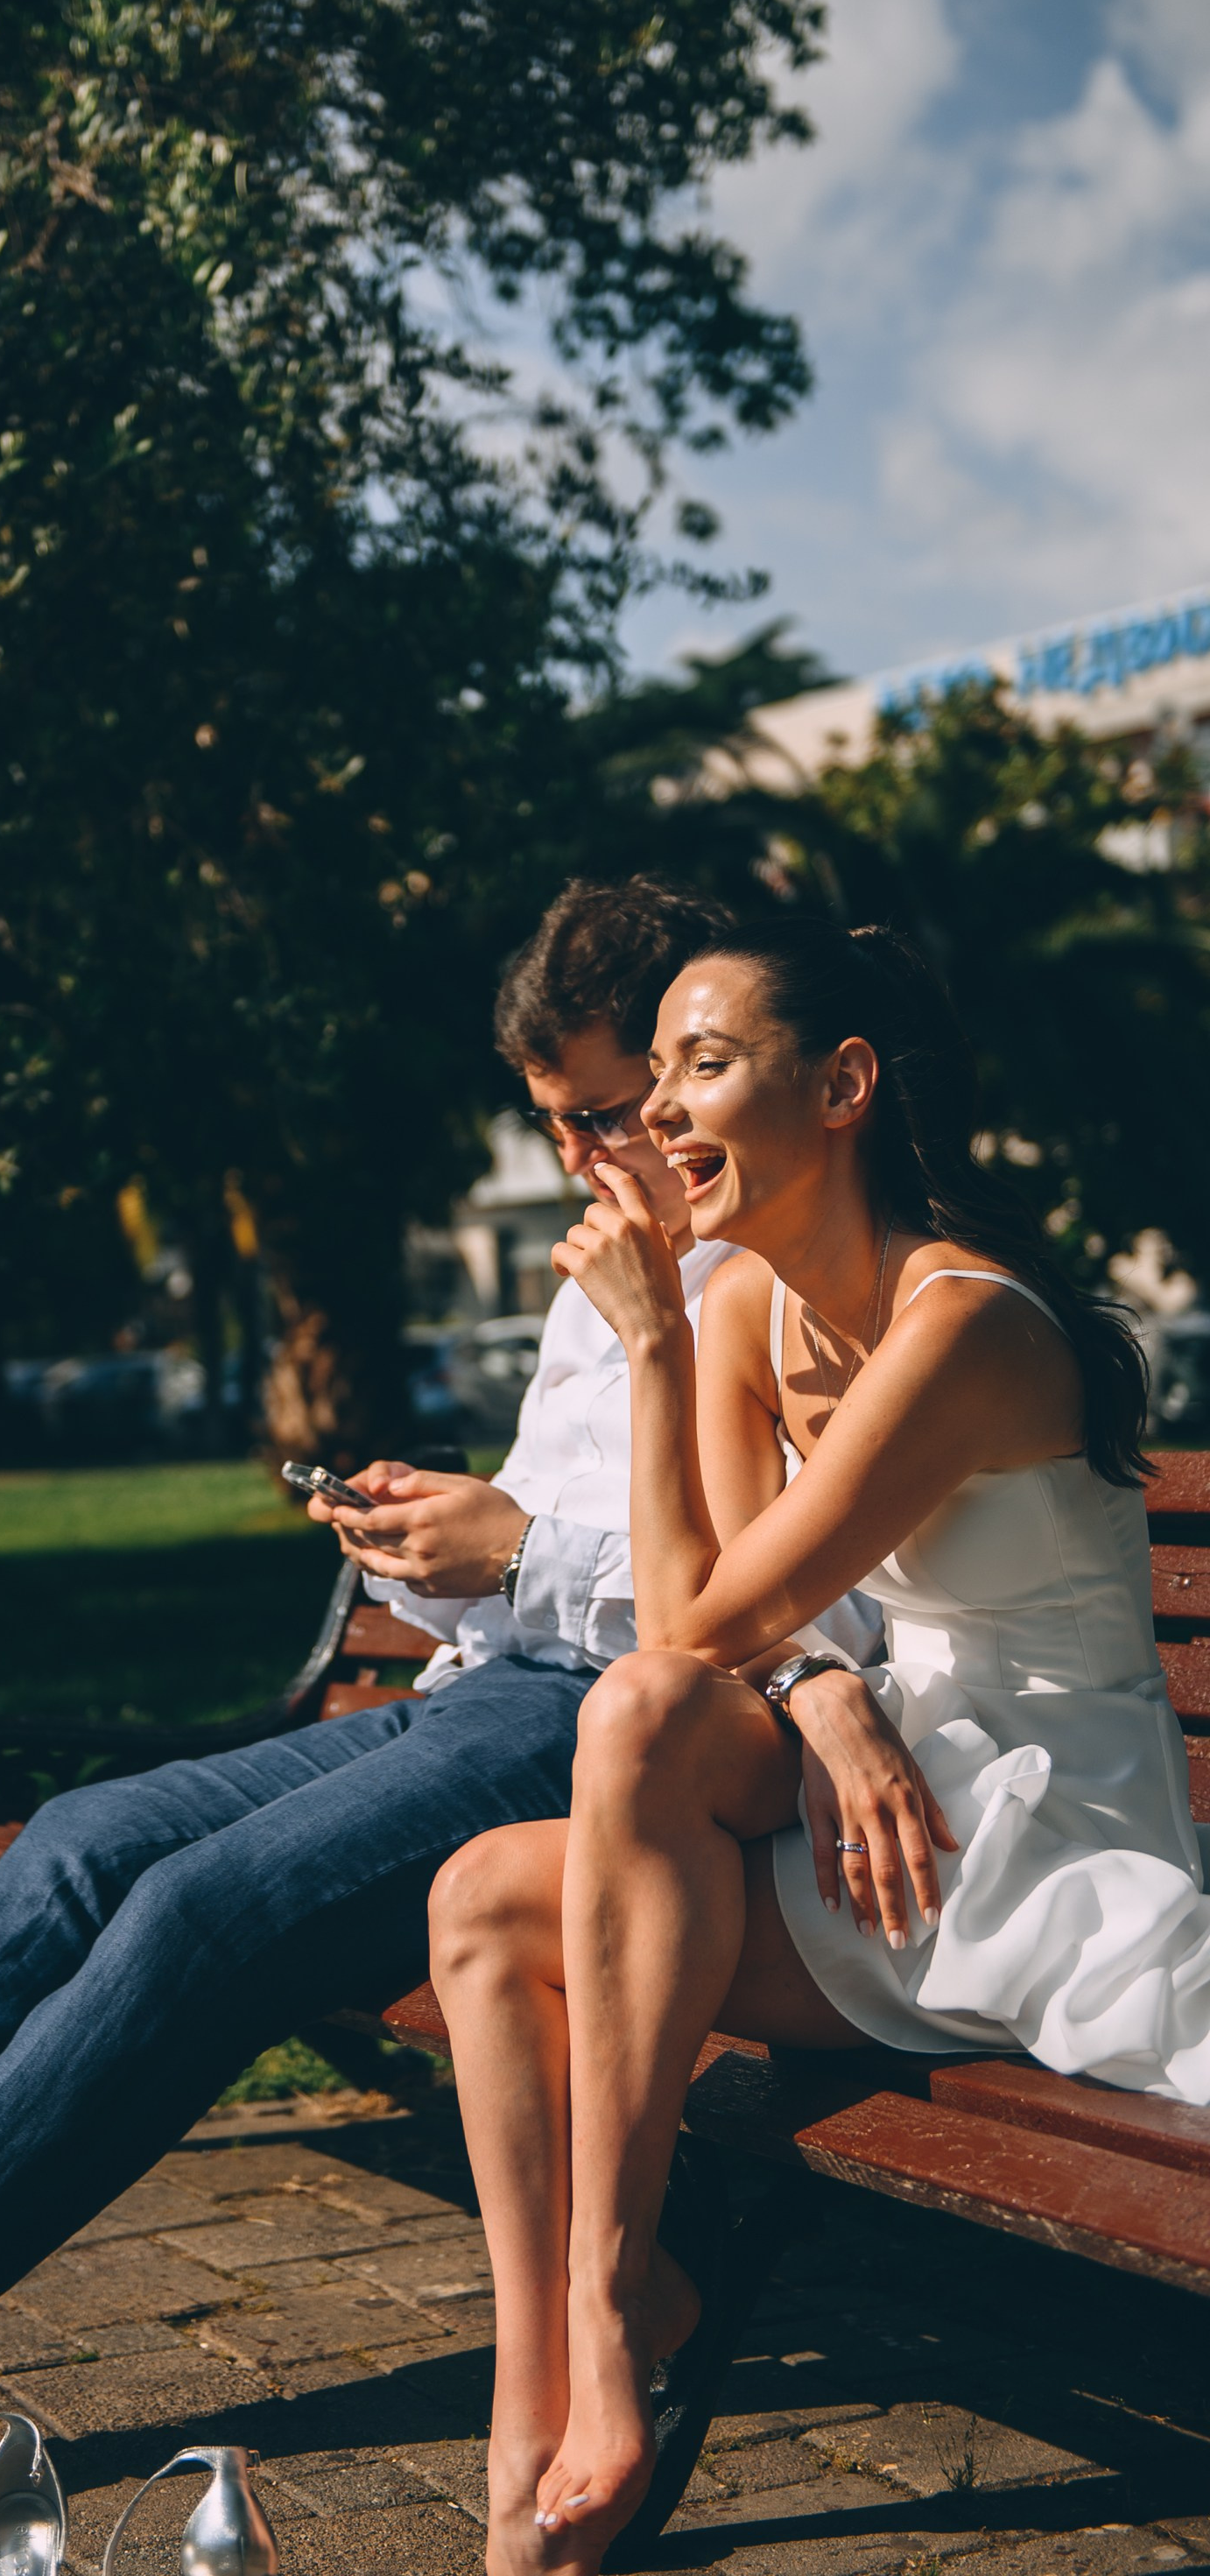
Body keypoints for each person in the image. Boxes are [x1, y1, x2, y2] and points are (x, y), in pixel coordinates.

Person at [0, 874, 875, 2484]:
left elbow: (771, 1587)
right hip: (488, 1689)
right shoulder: (601, 1266)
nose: (593, 1156)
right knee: (75, 1843)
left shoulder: (784, 1261)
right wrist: (440, 1542)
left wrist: (523, 1551)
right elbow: (555, 1529)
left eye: (616, 1106)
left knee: (206, 1919)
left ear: (722, 1054)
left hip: (628, 1742)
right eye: (556, 1122)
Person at [425, 912, 1208, 2576]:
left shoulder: (969, 1326)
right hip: (901, 1842)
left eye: (703, 1069)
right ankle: (543, 2397)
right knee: (485, 1901)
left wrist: (649, 1345)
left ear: (845, 1084)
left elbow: (686, 1635)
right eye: (658, 1081)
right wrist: (670, 1351)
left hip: (1046, 1854)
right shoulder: (750, 1319)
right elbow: (688, 1626)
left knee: (639, 1718)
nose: (663, 1119)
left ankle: (608, 2304)